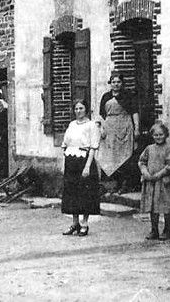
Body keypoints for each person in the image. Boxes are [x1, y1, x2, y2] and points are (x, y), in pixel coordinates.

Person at [96, 72, 143, 193]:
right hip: (110, 128)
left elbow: (134, 112)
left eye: (118, 82)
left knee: (125, 156)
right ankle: (114, 184)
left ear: (122, 83)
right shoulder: (106, 97)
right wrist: (101, 128)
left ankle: (125, 185)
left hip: (125, 127)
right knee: (112, 156)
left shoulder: (127, 96)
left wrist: (137, 128)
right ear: (110, 84)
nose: (116, 84)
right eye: (113, 82)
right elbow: (101, 115)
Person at [61, 99, 101, 237]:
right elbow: (65, 144)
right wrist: (64, 163)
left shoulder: (91, 125)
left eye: (81, 108)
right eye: (76, 109)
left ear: (86, 109)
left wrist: (87, 167)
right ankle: (75, 223)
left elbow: (93, 147)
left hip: (84, 161)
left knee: (85, 193)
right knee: (72, 193)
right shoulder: (72, 124)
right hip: (71, 161)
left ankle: (84, 224)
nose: (78, 111)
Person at [139, 122, 170, 241]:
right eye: (156, 135)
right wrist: (145, 172)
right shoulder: (149, 148)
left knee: (166, 206)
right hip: (151, 182)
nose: (158, 137)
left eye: (161, 134)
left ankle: (167, 230)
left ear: (166, 135)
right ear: (152, 136)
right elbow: (142, 161)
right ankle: (154, 230)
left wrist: (159, 174)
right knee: (152, 206)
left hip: (165, 182)